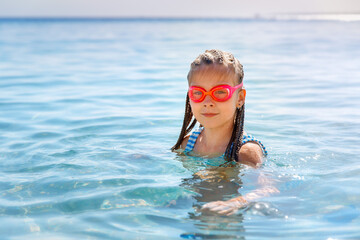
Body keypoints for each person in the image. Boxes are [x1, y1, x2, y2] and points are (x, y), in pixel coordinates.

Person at [172, 49, 278, 216]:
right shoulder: (188, 144)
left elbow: (269, 188)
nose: (207, 102)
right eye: (198, 93)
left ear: (240, 98)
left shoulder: (245, 151)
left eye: (220, 92)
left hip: (227, 217)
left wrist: (236, 202)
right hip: (195, 212)